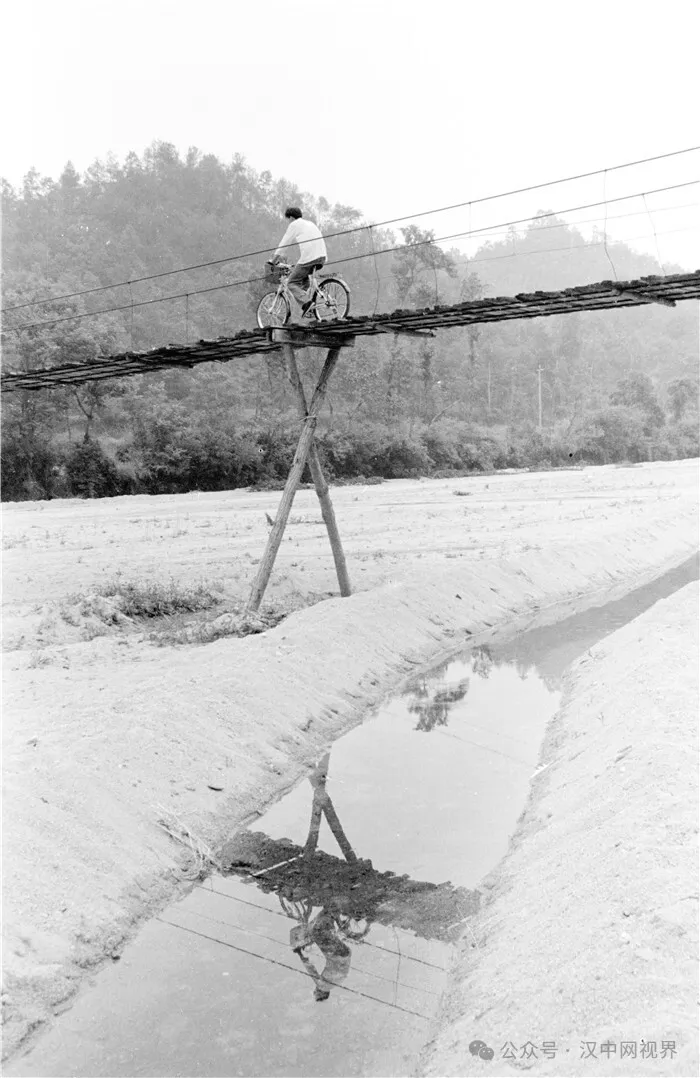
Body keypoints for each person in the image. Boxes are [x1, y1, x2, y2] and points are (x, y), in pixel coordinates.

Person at [271, 207, 327, 319]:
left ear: (291, 217)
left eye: (288, 219)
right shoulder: (309, 223)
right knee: (304, 282)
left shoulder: (294, 224)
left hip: (310, 258)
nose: (288, 222)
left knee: (291, 283)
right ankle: (309, 309)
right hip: (322, 257)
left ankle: (307, 303)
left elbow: (284, 243)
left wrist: (273, 260)